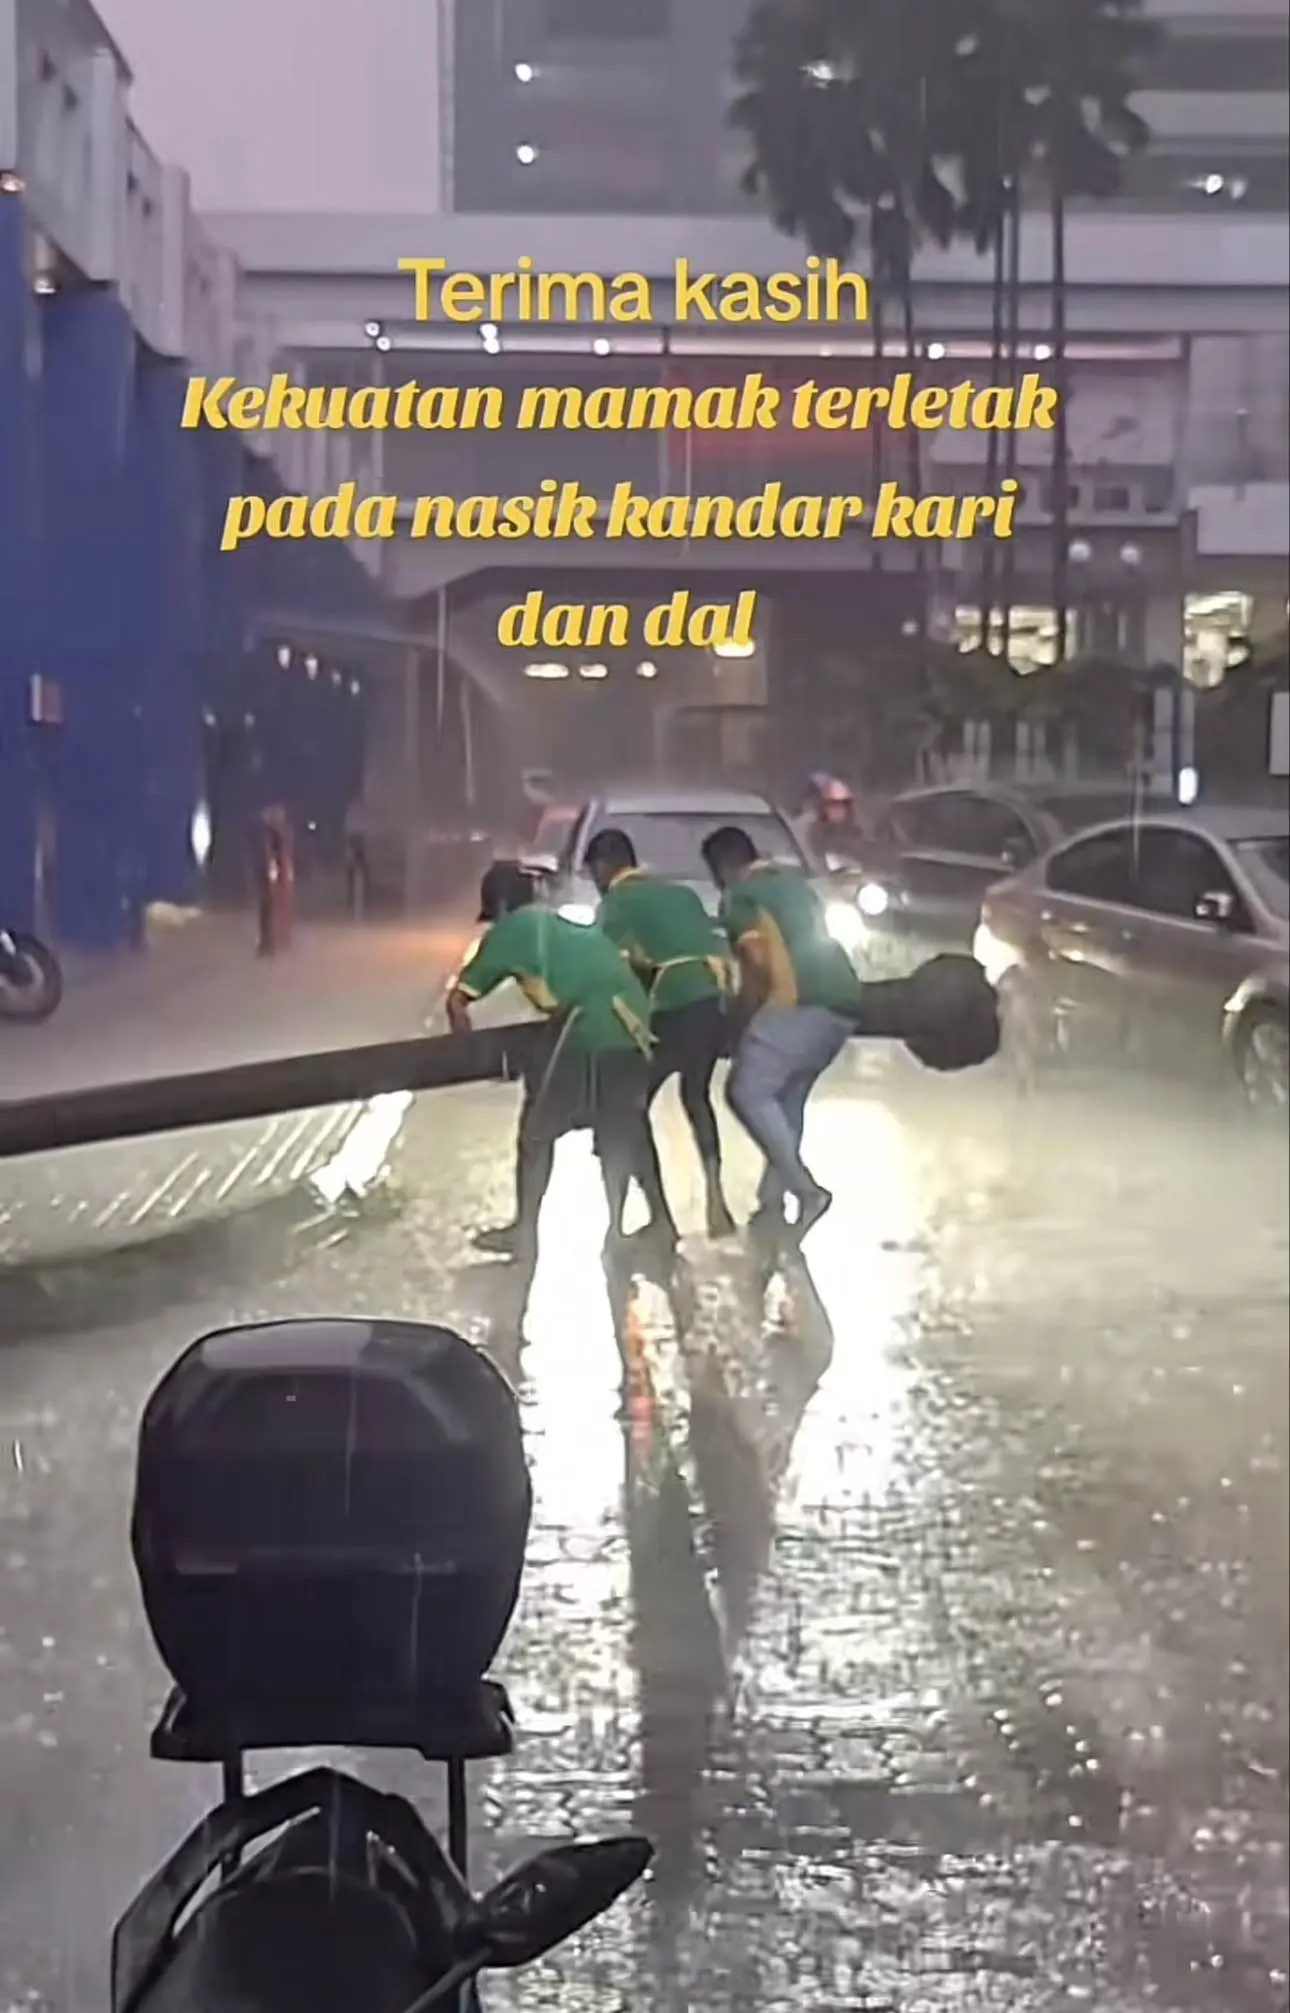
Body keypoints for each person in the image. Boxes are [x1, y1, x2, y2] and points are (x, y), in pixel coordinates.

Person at [445, 859, 678, 1261]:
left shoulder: (510, 930)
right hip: (635, 1029)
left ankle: (525, 1232)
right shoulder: (561, 927)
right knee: (626, 1126)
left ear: (500, 906)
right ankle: (657, 1222)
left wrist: (465, 1048)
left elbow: (459, 998)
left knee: (537, 1132)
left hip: (591, 1029)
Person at [702, 823, 863, 1242]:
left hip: (798, 1002)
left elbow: (757, 963)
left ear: (722, 866)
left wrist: (739, 1018)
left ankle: (806, 1191)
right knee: (787, 1096)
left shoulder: (740, 897)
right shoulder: (795, 886)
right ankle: (772, 1199)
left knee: (746, 1091)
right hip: (845, 1002)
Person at [584, 828, 737, 1240]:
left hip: (670, 1009)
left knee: (626, 1109)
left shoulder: (617, 901)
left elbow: (600, 966)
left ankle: (648, 1220)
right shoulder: (682, 894)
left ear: (601, 868)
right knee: (696, 1096)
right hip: (712, 1005)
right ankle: (716, 1199)